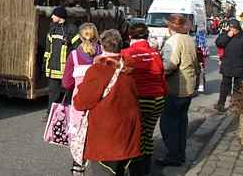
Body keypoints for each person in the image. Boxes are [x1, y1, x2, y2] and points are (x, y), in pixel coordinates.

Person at [72, 29, 142, 176]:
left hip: (106, 134)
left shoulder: (97, 70)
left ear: (102, 46)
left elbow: (81, 103)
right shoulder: (129, 68)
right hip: (128, 131)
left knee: (103, 171)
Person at [121, 23, 167, 175]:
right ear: (147, 37)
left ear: (130, 37)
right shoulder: (155, 53)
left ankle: (137, 171)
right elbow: (162, 76)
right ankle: (146, 168)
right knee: (148, 134)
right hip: (158, 98)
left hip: (140, 98)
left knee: (137, 136)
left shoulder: (126, 53)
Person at [158, 14, 200, 167]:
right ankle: (180, 153)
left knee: (168, 124)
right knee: (181, 122)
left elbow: (170, 64)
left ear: (171, 27)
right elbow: (196, 63)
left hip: (175, 87)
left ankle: (173, 156)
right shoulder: (189, 39)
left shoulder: (174, 40)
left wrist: (158, 71)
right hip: (188, 86)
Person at [61, 22, 101, 175]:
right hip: (98, 102)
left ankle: (78, 167)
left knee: (78, 137)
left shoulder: (74, 55)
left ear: (80, 36)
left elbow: (66, 82)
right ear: (96, 36)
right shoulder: (101, 54)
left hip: (79, 103)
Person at [214, 20, 243, 112]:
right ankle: (221, 104)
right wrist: (227, 37)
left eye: (235, 29)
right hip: (227, 64)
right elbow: (219, 43)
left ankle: (235, 105)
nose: (233, 30)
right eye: (231, 28)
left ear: (238, 28)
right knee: (225, 85)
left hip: (240, 65)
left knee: (238, 87)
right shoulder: (225, 34)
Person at [44, 6, 79, 114]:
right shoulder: (52, 29)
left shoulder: (72, 30)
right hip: (53, 68)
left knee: (68, 92)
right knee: (53, 92)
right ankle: (51, 113)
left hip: (66, 68)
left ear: (60, 16)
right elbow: (48, 49)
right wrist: (45, 63)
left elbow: (77, 48)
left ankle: (67, 114)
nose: (52, 17)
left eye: (54, 15)